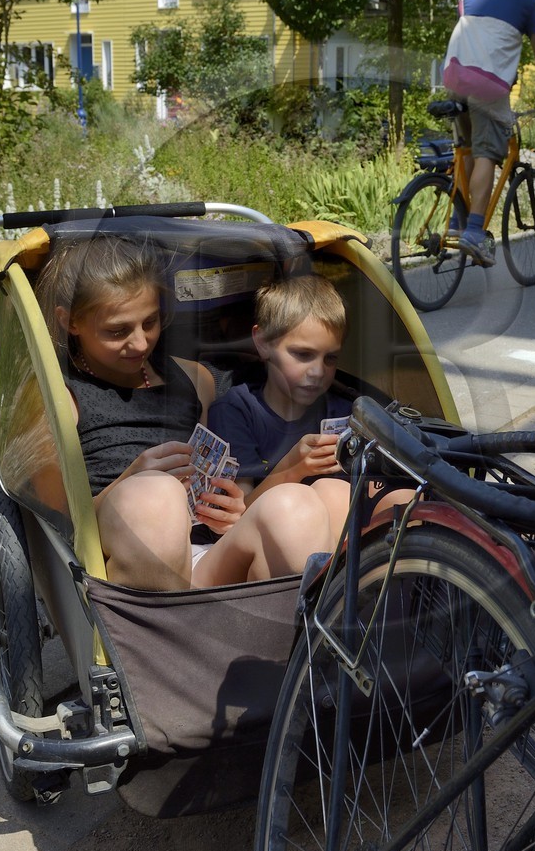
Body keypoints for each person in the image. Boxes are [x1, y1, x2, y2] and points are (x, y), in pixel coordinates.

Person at [35, 235, 334, 592]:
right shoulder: (59, 399)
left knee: (306, 501)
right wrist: (129, 478)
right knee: (155, 497)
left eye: (150, 322)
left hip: (206, 558)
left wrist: (231, 509)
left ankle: (298, 640)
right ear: (70, 322)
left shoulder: (195, 378)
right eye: (118, 331)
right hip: (129, 558)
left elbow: (222, 469)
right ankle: (164, 642)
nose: (141, 343)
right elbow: (57, 529)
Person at [442, 0, 535, 267]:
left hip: (453, 78)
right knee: (487, 154)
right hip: (487, 86)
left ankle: (457, 220)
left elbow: (475, 41)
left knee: (465, 149)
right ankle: (474, 231)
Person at [208, 275, 355, 541]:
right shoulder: (235, 411)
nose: (318, 371)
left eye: (330, 358)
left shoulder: (342, 411)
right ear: (263, 342)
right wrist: (294, 468)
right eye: (302, 354)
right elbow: (240, 515)